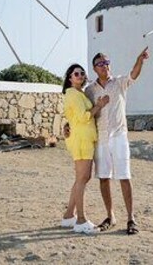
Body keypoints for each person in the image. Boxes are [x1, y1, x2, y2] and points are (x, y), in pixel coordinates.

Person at [85, 48, 149, 235]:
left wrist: (140, 60)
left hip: (119, 135)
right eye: (101, 63)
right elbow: (87, 113)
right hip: (102, 138)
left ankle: (131, 218)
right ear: (95, 68)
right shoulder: (90, 90)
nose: (105, 66)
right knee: (104, 178)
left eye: (107, 62)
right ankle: (110, 216)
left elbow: (134, 75)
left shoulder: (119, 82)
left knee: (124, 176)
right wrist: (99, 105)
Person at [60, 63, 109, 235]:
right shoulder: (73, 94)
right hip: (81, 140)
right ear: (70, 78)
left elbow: (73, 117)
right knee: (82, 178)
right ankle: (80, 219)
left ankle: (68, 216)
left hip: (84, 138)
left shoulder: (79, 94)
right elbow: (82, 117)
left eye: (82, 73)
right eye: (76, 74)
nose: (80, 75)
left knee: (81, 178)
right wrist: (100, 105)